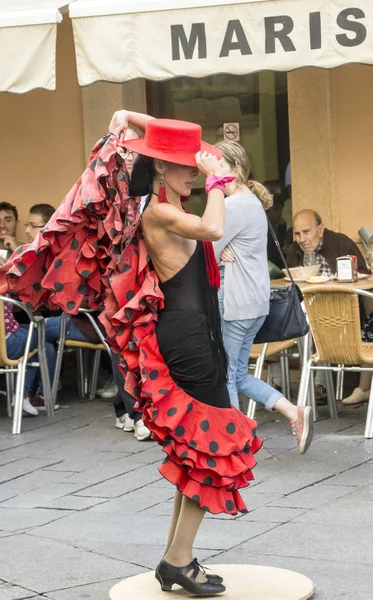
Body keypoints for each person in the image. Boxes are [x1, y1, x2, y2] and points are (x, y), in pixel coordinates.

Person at [0, 113, 263, 596]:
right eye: (184, 166)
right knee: (212, 445)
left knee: (196, 454)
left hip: (197, 332)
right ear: (160, 169)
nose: (193, 171)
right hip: (185, 337)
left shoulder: (165, 202)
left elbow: (169, 137)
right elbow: (211, 228)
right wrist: (220, 182)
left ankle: (174, 560)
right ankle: (179, 561)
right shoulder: (158, 211)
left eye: (193, 166)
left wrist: (133, 118)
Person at [212, 141, 313, 454]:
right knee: (239, 373)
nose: (210, 171)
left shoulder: (231, 207)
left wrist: (212, 247)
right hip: (256, 302)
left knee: (226, 376)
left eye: (218, 165)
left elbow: (205, 250)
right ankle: (293, 412)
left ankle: (234, 444)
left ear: (237, 169)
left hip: (235, 301)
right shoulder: (252, 203)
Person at [287, 210, 369, 275]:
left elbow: (363, 274)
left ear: (320, 230)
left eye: (306, 231)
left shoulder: (341, 242)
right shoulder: (293, 249)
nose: (301, 239)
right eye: (297, 234)